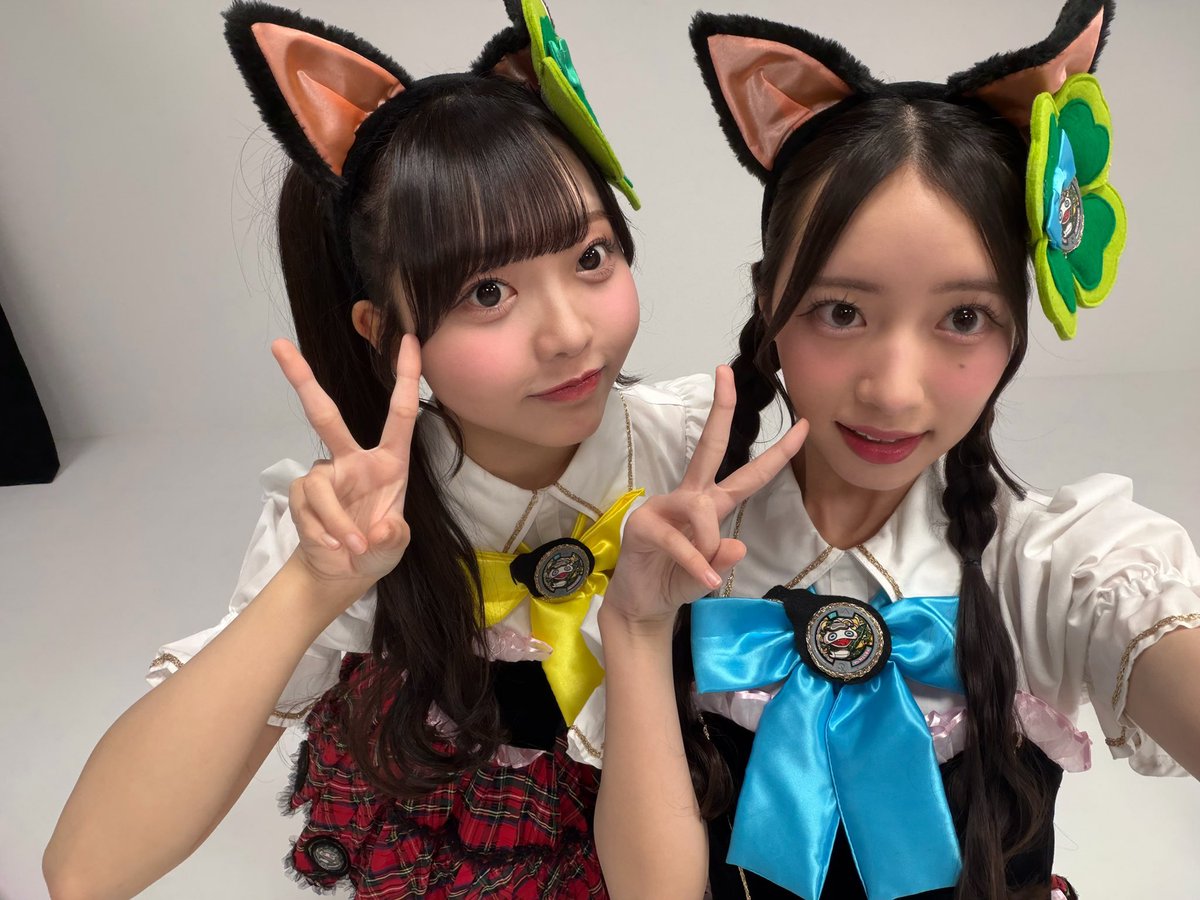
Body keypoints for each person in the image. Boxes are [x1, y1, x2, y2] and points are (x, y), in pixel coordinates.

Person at [42, 3, 795, 898]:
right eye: (487, 292)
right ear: (381, 329)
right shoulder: (357, 522)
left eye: (591, 256)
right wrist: (312, 585)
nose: (568, 334)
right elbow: (85, 871)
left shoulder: (696, 449)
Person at [596, 1, 1200, 898]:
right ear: (769, 305)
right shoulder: (676, 509)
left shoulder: (1054, 569)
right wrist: (639, 628)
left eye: (964, 317)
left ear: (1015, 326)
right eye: (841, 311)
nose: (893, 391)